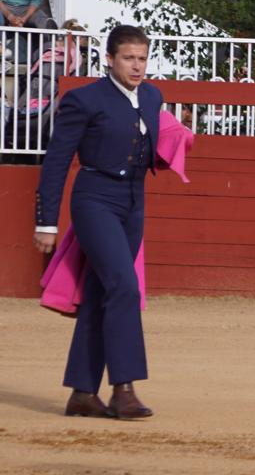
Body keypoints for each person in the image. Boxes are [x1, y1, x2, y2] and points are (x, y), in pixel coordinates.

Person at [33, 26, 165, 421]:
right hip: (94, 199)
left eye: (142, 58)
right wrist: (46, 222)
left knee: (99, 293)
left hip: (133, 203)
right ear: (109, 59)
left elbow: (155, 142)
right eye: (128, 57)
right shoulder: (84, 99)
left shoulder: (153, 97)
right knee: (125, 287)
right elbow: (56, 161)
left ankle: (82, 392)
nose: (137, 65)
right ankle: (124, 388)